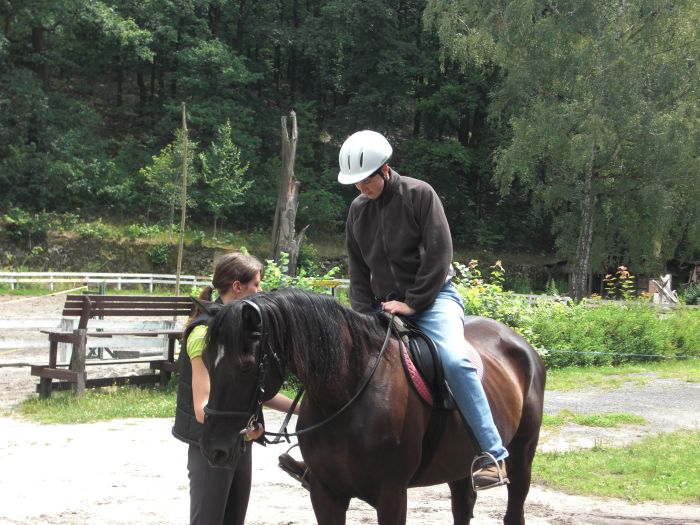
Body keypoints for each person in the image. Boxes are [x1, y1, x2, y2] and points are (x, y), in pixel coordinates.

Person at [279, 130, 509, 491]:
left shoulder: (420, 195)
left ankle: (492, 454)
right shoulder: (357, 211)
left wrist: (413, 301)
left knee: (454, 360)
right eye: (354, 183)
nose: (361, 188)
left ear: (385, 169)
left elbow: (439, 255)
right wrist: (356, 319)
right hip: (381, 306)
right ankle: (329, 463)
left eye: (366, 180)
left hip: (433, 300)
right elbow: (358, 271)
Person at [173, 252, 298, 525]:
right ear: (238, 287)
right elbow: (201, 409)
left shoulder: (239, 329)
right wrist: (245, 425)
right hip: (209, 444)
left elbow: (253, 394)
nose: (260, 290)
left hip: (240, 442)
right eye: (256, 284)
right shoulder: (203, 334)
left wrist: (303, 409)